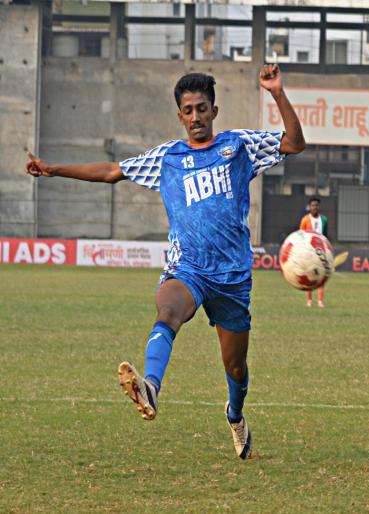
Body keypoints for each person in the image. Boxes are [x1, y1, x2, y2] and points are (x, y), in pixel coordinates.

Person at [24, 65, 305, 460]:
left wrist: (276, 92)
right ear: (179, 115)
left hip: (232, 277)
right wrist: (53, 169)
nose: (196, 117)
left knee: (236, 367)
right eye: (188, 110)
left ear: (214, 111)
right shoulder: (167, 158)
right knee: (168, 311)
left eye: (202, 108)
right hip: (187, 267)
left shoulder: (239, 146)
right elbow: (111, 171)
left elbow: (294, 143)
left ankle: (235, 414)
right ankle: (150, 387)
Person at [299, 197, 329, 307]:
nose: (314, 207)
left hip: (320, 251)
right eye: (312, 205)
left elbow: (325, 235)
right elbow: (301, 235)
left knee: (322, 274)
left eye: (316, 205)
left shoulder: (324, 220)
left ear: (318, 206)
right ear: (309, 207)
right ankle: (309, 300)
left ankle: (320, 301)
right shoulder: (305, 220)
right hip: (309, 251)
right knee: (310, 274)